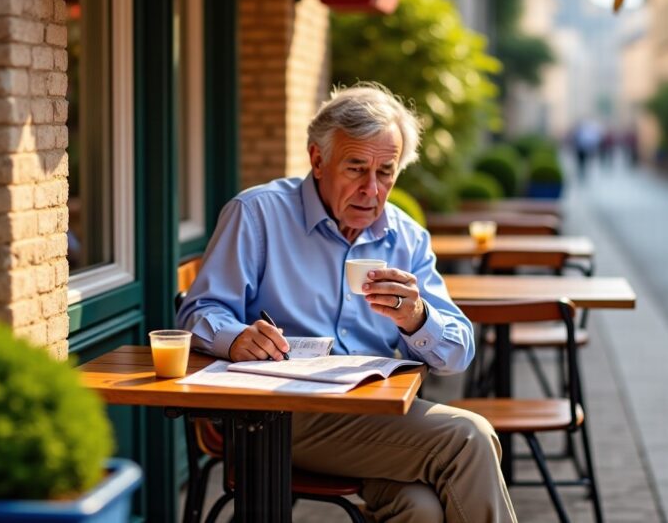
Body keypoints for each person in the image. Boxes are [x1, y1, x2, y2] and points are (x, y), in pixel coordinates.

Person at [177, 83, 517, 522]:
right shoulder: (258, 214)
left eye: (385, 173)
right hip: (278, 416)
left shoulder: (407, 237)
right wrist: (237, 336)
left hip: (373, 415)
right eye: (356, 168)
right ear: (317, 160)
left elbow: (458, 353)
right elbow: (196, 314)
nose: (371, 190)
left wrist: (416, 319)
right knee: (468, 437)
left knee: (421, 508)